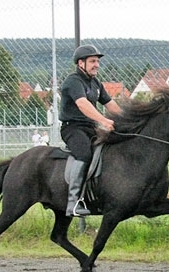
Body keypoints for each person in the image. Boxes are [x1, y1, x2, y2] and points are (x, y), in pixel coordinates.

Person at [59, 44, 121, 217]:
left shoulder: (96, 83)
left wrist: (127, 120)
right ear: (81, 63)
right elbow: (82, 104)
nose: (97, 65)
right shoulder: (73, 81)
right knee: (84, 153)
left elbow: (110, 104)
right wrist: (103, 120)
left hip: (90, 128)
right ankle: (73, 203)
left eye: (97, 61)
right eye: (93, 61)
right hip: (73, 128)